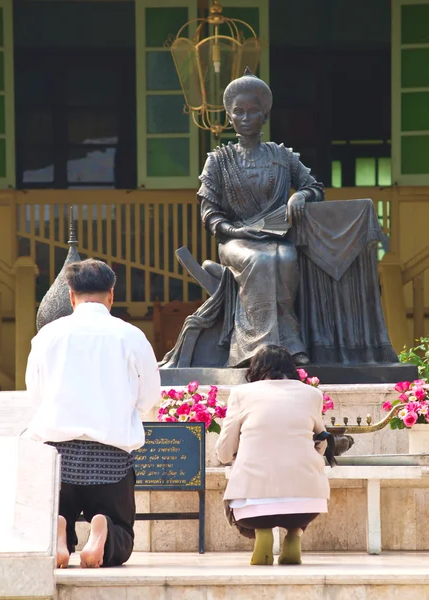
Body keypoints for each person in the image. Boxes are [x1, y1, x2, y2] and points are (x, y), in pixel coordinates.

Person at [25, 258, 160, 569]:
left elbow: (36, 393)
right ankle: (105, 529)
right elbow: (150, 392)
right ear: (111, 295)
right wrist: (125, 413)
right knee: (122, 533)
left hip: (58, 455)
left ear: (71, 296)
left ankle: (60, 529)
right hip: (110, 457)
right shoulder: (130, 335)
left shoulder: (48, 335)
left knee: (55, 512)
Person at [198, 68, 325, 367]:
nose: (245, 118)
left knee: (286, 259)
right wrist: (238, 232)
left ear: (265, 116)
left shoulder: (282, 156)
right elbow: (210, 214)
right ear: (229, 117)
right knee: (260, 261)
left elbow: (314, 187)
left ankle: (291, 344)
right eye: (238, 112)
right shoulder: (218, 161)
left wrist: (300, 195)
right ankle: (258, 347)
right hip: (236, 240)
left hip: (276, 237)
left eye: (252, 112)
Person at [216, 345, 330, 565]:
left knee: (238, 495)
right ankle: (295, 534)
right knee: (304, 484)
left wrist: (233, 455)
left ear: (255, 368)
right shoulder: (312, 394)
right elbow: (322, 440)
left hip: (253, 509)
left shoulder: (241, 394)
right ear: (292, 368)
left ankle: (263, 532)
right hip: (307, 505)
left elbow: (224, 451)